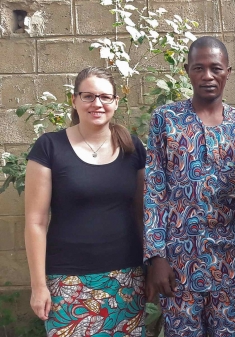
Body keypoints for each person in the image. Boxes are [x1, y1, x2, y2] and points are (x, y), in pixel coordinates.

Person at [143, 36, 235, 337]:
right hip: (178, 267)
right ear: (187, 70)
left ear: (228, 71)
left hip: (231, 266)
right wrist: (156, 258)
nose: (208, 76)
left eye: (216, 68)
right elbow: (154, 191)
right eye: (199, 68)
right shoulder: (166, 120)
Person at [24, 67, 146, 336]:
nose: (97, 104)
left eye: (105, 97)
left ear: (115, 102)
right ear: (75, 100)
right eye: (88, 96)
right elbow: (36, 221)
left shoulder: (132, 147)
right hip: (68, 281)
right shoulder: (49, 147)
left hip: (126, 280)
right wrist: (38, 285)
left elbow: (140, 214)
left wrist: (147, 269)